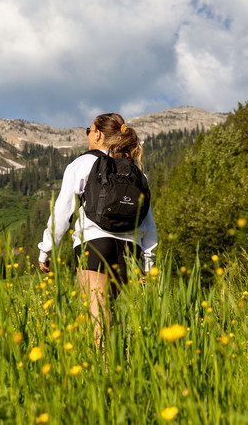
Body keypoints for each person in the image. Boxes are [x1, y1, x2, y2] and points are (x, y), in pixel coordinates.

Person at [37, 113, 158, 345]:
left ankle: (105, 372)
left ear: (98, 134)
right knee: (106, 313)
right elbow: (148, 222)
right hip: (129, 249)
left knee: (97, 318)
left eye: (88, 131)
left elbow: (63, 211)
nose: (88, 135)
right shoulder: (136, 172)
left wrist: (46, 250)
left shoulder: (82, 163)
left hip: (94, 243)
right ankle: (122, 360)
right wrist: (147, 264)